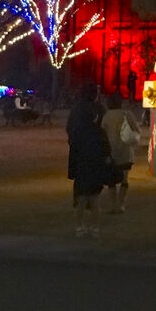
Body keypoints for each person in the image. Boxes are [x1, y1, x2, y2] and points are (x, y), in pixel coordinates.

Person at [66, 84, 111, 236]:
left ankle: (79, 226)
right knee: (95, 198)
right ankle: (95, 228)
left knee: (82, 197)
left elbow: (73, 144)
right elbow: (106, 147)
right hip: (95, 163)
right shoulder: (98, 128)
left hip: (81, 164)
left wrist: (72, 169)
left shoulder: (77, 124)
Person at [100, 93, 141, 214]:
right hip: (125, 150)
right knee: (124, 179)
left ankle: (113, 205)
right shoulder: (127, 114)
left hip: (111, 151)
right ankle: (121, 204)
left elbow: (102, 132)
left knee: (111, 181)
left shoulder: (106, 116)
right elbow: (136, 130)